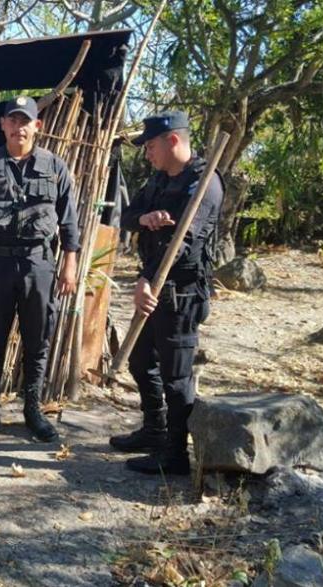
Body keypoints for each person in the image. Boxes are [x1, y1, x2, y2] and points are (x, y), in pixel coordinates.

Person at [0, 96, 80, 442]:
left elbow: (69, 221)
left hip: (38, 263)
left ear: (37, 126)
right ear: (3, 124)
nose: (18, 127)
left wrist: (69, 264)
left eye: (25, 122)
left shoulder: (55, 167)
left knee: (37, 338)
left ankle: (32, 409)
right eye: (13, 120)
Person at [110, 111, 222, 475]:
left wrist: (147, 279)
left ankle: (175, 454)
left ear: (173, 140)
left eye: (151, 146)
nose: (147, 153)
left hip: (182, 294)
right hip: (153, 287)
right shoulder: (158, 180)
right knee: (141, 360)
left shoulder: (204, 184)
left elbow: (185, 245)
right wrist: (145, 219)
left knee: (177, 377)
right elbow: (127, 216)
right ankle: (154, 430)